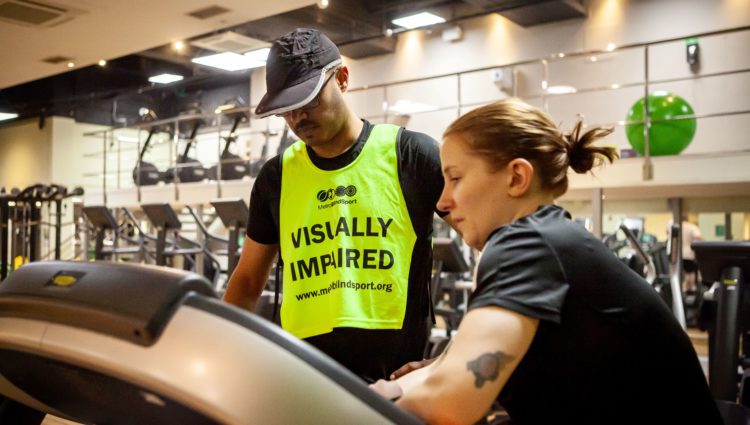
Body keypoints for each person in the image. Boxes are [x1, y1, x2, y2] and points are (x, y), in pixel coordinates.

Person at [371, 99, 722, 424]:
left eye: (456, 178)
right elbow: (445, 368)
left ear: (517, 177)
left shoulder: (528, 242)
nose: (443, 201)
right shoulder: (547, 236)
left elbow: (450, 402)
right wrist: (393, 389)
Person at [223, 28, 452, 382]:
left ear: (342, 78)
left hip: (395, 384)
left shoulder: (412, 155)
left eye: (309, 100)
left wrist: (453, 356)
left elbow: (493, 241)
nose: (298, 118)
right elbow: (248, 280)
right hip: (304, 381)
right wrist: (223, 356)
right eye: (287, 109)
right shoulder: (276, 177)